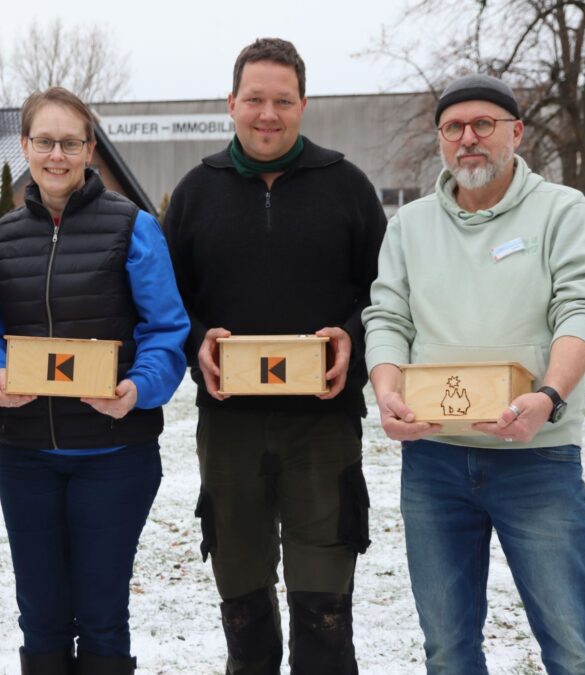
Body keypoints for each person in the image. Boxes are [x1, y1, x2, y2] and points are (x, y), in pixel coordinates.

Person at [362, 73, 585, 674]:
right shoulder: (410, 225)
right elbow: (387, 316)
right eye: (453, 127)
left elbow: (583, 306)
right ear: (441, 139)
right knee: (448, 649)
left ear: (516, 132)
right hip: (435, 462)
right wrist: (388, 394)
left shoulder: (561, 210)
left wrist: (549, 395)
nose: (468, 138)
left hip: (537, 457)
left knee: (572, 646)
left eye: (484, 124)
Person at [163, 38, 387, 675]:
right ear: (231, 103)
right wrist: (195, 340)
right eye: (254, 99)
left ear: (303, 105)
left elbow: (386, 297)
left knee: (324, 607)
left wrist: (354, 337)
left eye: (282, 101)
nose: (268, 114)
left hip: (323, 425)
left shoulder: (346, 186)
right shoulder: (195, 193)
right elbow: (168, 304)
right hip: (231, 427)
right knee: (243, 603)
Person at [0, 86, 189, 675]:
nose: (57, 155)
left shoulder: (134, 229)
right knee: (40, 614)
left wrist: (137, 390)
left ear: (90, 149)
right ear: (25, 147)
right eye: (45, 141)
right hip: (26, 456)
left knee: (101, 612)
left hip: (114, 455)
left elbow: (167, 330)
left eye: (70, 142)